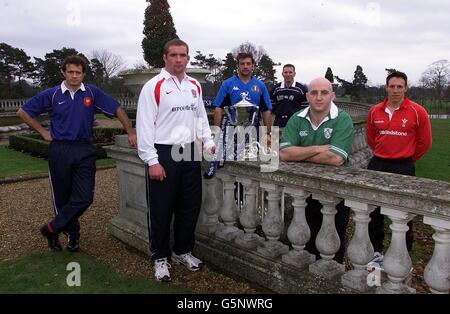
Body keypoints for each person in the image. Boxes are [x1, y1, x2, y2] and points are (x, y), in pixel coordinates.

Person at [17, 55, 137, 253]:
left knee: (84, 197)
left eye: (78, 72)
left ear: (83, 74)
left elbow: (117, 109)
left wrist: (130, 131)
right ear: (64, 72)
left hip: (84, 149)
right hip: (60, 150)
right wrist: (43, 132)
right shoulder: (52, 94)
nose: (74, 76)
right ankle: (72, 236)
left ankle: (51, 228)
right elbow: (23, 112)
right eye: (70, 72)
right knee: (62, 197)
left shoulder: (92, 92)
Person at [136, 39, 215, 282]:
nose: (179, 60)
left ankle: (183, 251)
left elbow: (200, 117)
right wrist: (152, 161)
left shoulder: (194, 85)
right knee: (161, 209)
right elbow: (144, 126)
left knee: (189, 206)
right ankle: (160, 257)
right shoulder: (154, 86)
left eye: (183, 55)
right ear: (165, 57)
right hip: (164, 153)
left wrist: (208, 142)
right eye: (174, 55)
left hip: (190, 152)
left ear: (188, 58)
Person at [279, 77, 354, 263]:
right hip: (305, 192)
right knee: (307, 239)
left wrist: (300, 152)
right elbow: (284, 154)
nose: (319, 97)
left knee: (332, 243)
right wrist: (318, 148)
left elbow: (336, 158)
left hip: (335, 192)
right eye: (314, 93)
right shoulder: (297, 118)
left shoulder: (342, 118)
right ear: (307, 96)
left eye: (324, 92)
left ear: (333, 96)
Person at [366, 71, 432, 268]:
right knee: (374, 211)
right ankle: (376, 252)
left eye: (399, 87)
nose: (395, 90)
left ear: (406, 88)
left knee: (403, 214)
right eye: (392, 86)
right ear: (386, 88)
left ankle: (402, 255)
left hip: (403, 166)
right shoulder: (375, 111)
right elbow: (371, 138)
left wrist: (406, 157)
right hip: (377, 164)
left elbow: (424, 143)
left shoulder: (417, 111)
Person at [213, 52, 273, 138]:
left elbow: (266, 111)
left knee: (253, 151)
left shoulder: (260, 86)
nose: (245, 66)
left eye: (248, 63)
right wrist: (217, 132)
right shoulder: (227, 84)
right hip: (231, 131)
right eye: (242, 64)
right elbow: (218, 108)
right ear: (237, 65)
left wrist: (268, 134)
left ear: (253, 65)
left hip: (254, 131)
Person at [270, 64, 308, 128]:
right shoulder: (275, 89)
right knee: (275, 138)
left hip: (295, 122)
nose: (288, 74)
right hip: (277, 122)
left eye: (290, 72)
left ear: (294, 74)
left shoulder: (301, 89)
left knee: (293, 138)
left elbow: (306, 109)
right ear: (282, 74)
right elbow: (270, 108)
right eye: (286, 72)